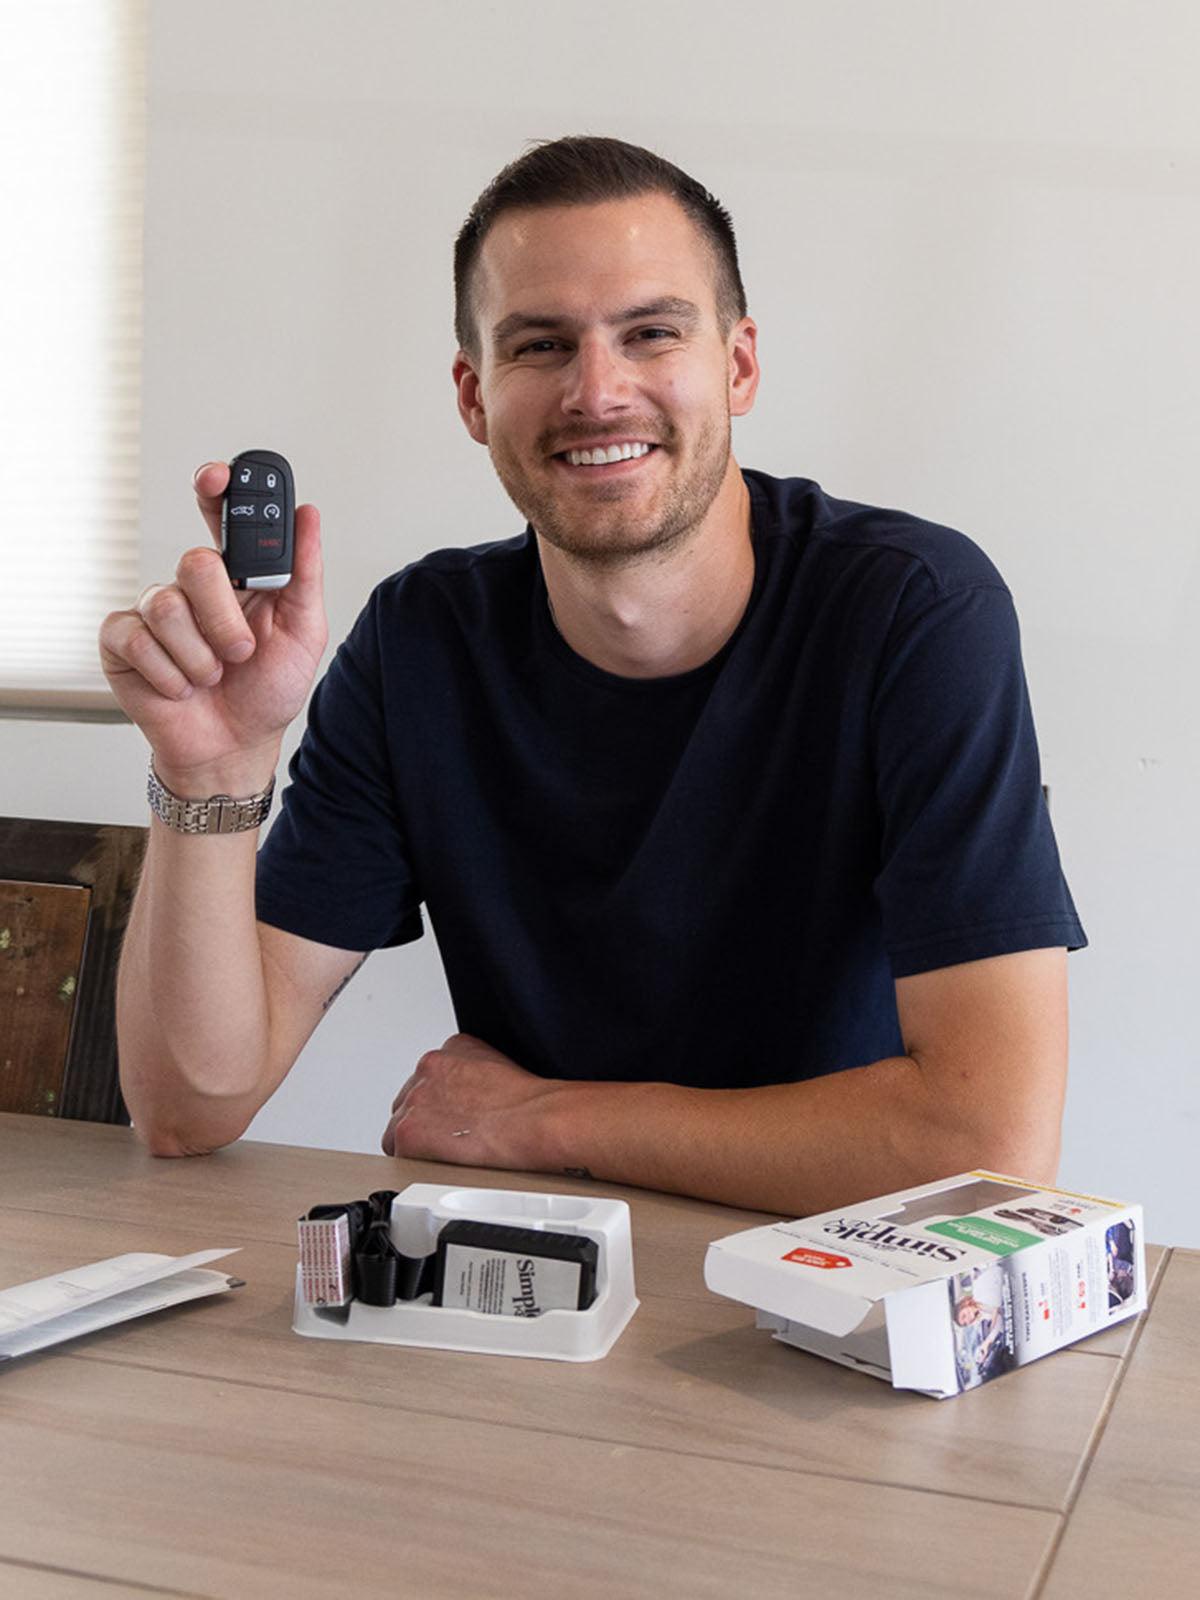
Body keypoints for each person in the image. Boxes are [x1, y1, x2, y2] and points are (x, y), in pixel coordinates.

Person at [99, 136, 1086, 1217]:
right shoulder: (419, 642)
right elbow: (189, 1107)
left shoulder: (914, 610)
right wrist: (214, 773)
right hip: (534, 1277)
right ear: (474, 397)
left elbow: (988, 1145)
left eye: (651, 333)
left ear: (739, 364)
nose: (598, 391)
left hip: (833, 1285)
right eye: (541, 345)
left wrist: (542, 1117)